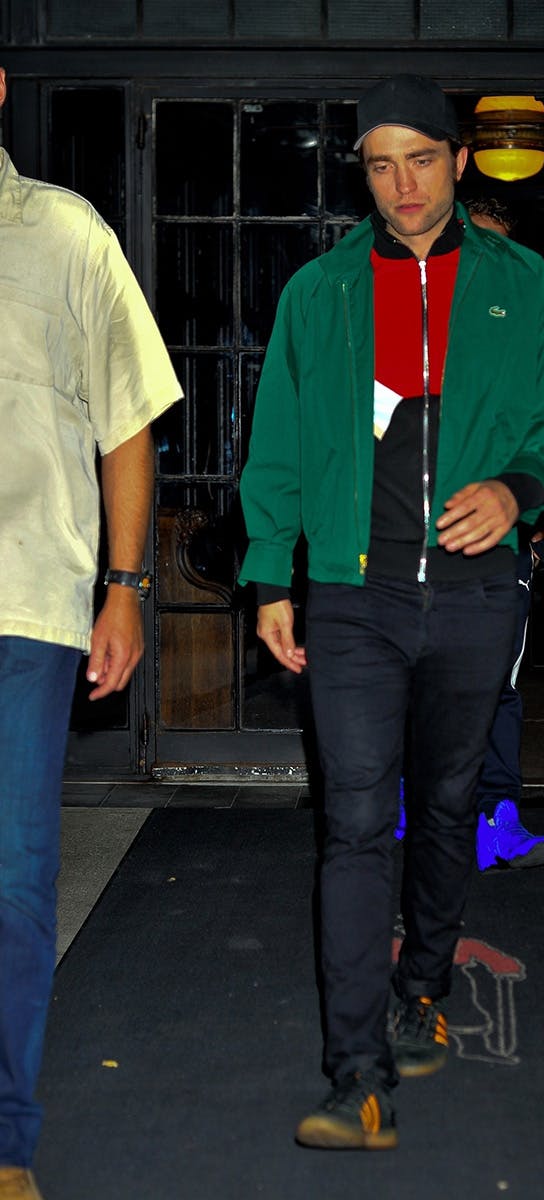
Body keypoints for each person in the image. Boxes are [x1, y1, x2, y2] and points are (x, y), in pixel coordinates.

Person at [239, 73, 544, 1151]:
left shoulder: (522, 283)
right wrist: (271, 576)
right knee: (353, 823)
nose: (402, 185)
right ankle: (355, 1075)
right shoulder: (320, 293)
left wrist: (519, 490)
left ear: (458, 159)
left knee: (443, 807)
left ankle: (423, 989)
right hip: (354, 596)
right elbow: (278, 442)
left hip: (477, 594)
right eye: (381, 165)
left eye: (422, 160)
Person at [0, 67, 182, 1200]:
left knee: (13, 879)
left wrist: (125, 587)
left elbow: (126, 423)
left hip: (24, 609)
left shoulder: (66, 235)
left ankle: (4, 1139)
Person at [395, 197, 544, 870]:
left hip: (502, 566)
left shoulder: (528, 364)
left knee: (494, 689)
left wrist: (539, 554)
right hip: (413, 557)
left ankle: (496, 819)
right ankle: (410, 806)